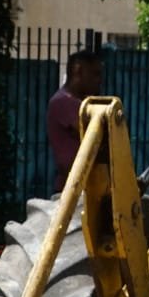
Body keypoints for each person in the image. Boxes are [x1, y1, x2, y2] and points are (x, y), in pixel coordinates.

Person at [47, 50, 102, 192]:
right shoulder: (64, 102)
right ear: (78, 71)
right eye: (94, 74)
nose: (99, 80)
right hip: (73, 190)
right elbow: (98, 135)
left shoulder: (79, 103)